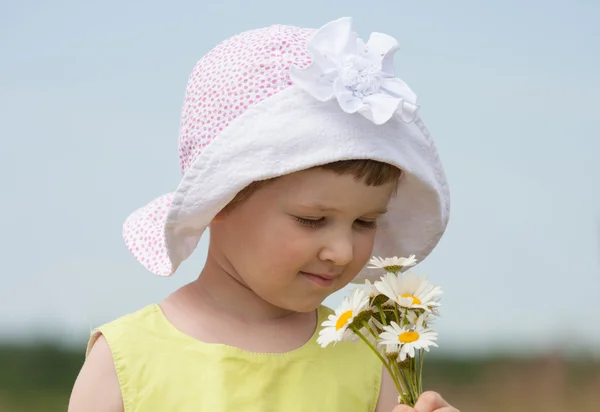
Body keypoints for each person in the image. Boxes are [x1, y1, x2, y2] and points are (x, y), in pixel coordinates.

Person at [68, 16, 457, 412]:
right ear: (220, 199)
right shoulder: (126, 362)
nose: (341, 251)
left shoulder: (371, 360)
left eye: (365, 222)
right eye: (311, 219)